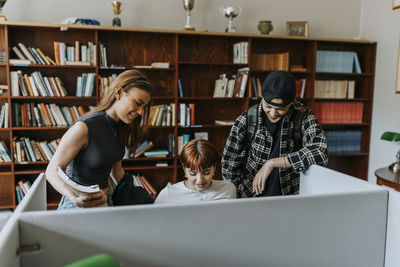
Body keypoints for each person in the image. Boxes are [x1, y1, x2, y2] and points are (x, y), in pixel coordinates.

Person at [45, 69, 155, 209]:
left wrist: (146, 201)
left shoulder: (120, 128)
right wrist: (74, 197)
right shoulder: (84, 127)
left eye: (143, 107)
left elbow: (117, 172)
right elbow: (51, 171)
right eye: (138, 103)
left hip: (105, 203)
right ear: (119, 93)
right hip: (76, 206)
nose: (140, 112)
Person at [222, 71, 328, 198]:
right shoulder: (247, 120)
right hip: (250, 198)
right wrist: (236, 198)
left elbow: (320, 152)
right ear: (262, 98)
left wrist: (272, 163)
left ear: (290, 103)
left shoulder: (303, 117)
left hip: (289, 198)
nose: (273, 113)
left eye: (281, 109)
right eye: (268, 106)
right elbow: (229, 166)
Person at [155, 139, 236, 204]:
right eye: (193, 173)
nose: (200, 180)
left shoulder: (228, 189)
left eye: (206, 172)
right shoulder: (168, 194)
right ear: (184, 170)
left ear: (214, 168)